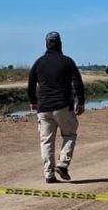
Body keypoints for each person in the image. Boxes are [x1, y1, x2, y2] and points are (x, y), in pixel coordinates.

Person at [28, 31, 86, 184]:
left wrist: (33, 101)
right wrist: (81, 102)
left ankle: (48, 174)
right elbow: (77, 82)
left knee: (46, 141)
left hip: (44, 107)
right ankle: (63, 164)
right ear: (60, 44)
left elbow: (31, 83)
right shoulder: (67, 62)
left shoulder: (38, 62)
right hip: (63, 106)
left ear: (46, 44)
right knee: (70, 135)